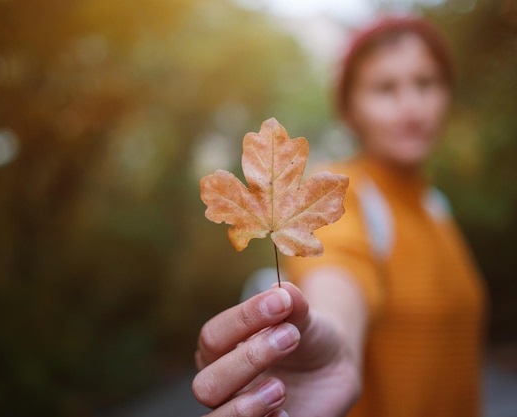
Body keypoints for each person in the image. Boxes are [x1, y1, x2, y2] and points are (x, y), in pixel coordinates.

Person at [192, 15, 487, 417]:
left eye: (426, 83)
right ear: (350, 110)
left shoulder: (436, 206)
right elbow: (336, 279)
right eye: (385, 88)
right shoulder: (346, 196)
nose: (412, 105)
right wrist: (330, 346)